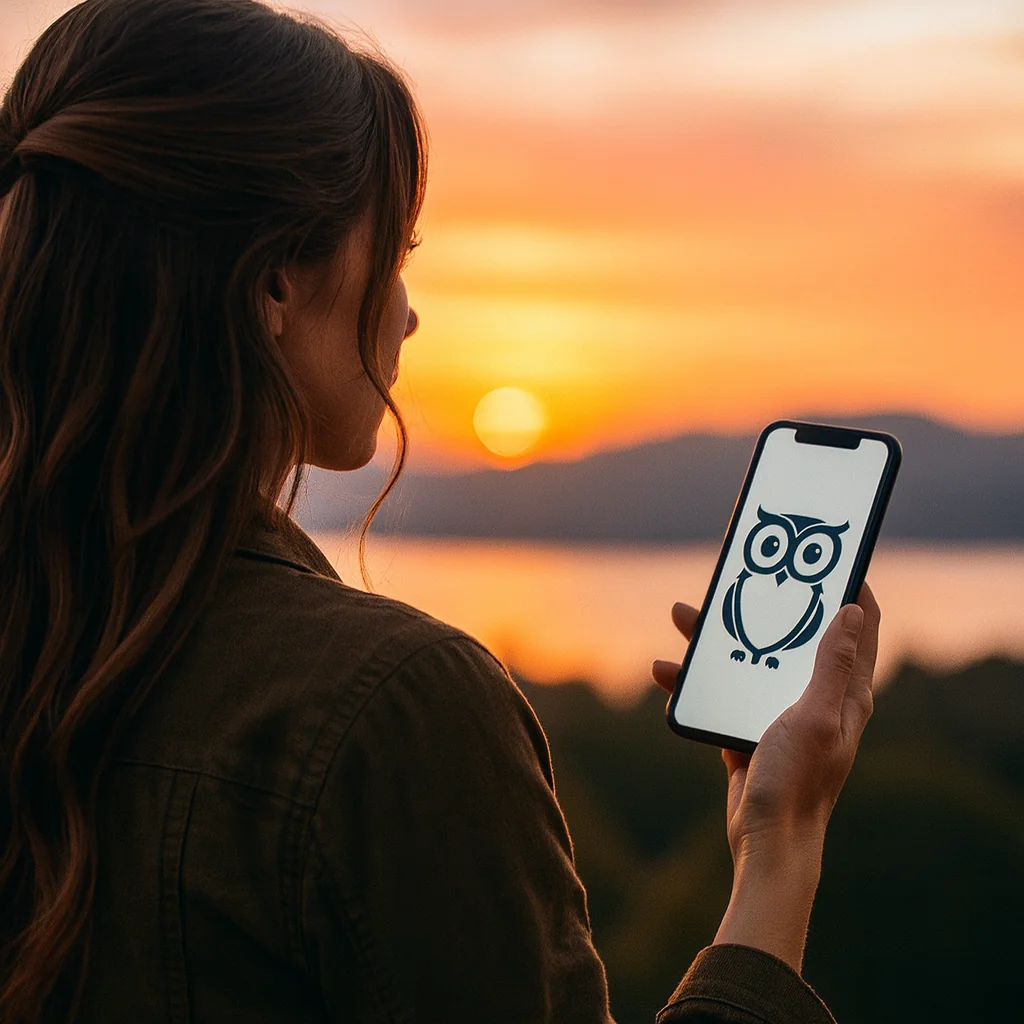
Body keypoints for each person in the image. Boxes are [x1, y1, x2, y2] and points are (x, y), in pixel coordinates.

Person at [0, 1, 881, 1021]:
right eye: (399, 253)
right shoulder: (392, 711)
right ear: (277, 280)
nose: (409, 312)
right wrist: (783, 841)